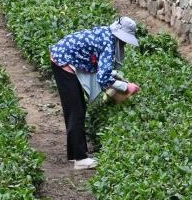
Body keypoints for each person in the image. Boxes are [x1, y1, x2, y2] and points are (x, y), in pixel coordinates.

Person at [49, 17, 140, 170]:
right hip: (63, 62)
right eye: (124, 41)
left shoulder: (107, 35)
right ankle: (80, 158)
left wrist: (117, 80)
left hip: (64, 59)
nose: (124, 44)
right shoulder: (108, 43)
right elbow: (103, 78)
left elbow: (102, 69)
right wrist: (126, 87)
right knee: (76, 111)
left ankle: (74, 154)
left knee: (76, 109)